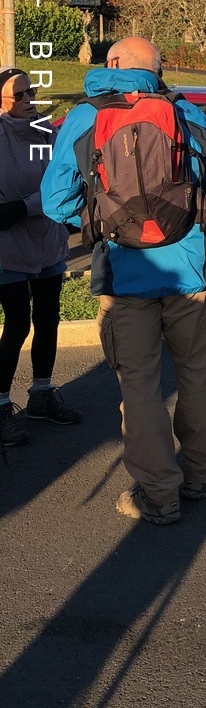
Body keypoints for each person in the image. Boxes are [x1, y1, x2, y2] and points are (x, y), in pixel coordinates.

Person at [41, 37, 206, 526]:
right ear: (156, 70)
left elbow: (54, 202)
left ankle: (158, 494)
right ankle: (205, 473)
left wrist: (103, 216)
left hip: (123, 276)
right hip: (189, 275)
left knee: (139, 388)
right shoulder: (187, 115)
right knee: (197, 375)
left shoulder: (84, 119)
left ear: (111, 65)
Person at [0, 68, 80, 446]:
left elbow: (61, 184)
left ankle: (41, 395)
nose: (28, 99)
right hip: (9, 249)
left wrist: (22, 207)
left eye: (30, 91)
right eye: (18, 95)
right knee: (17, 324)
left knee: (48, 319)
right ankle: (1, 405)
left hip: (47, 241)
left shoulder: (48, 132)